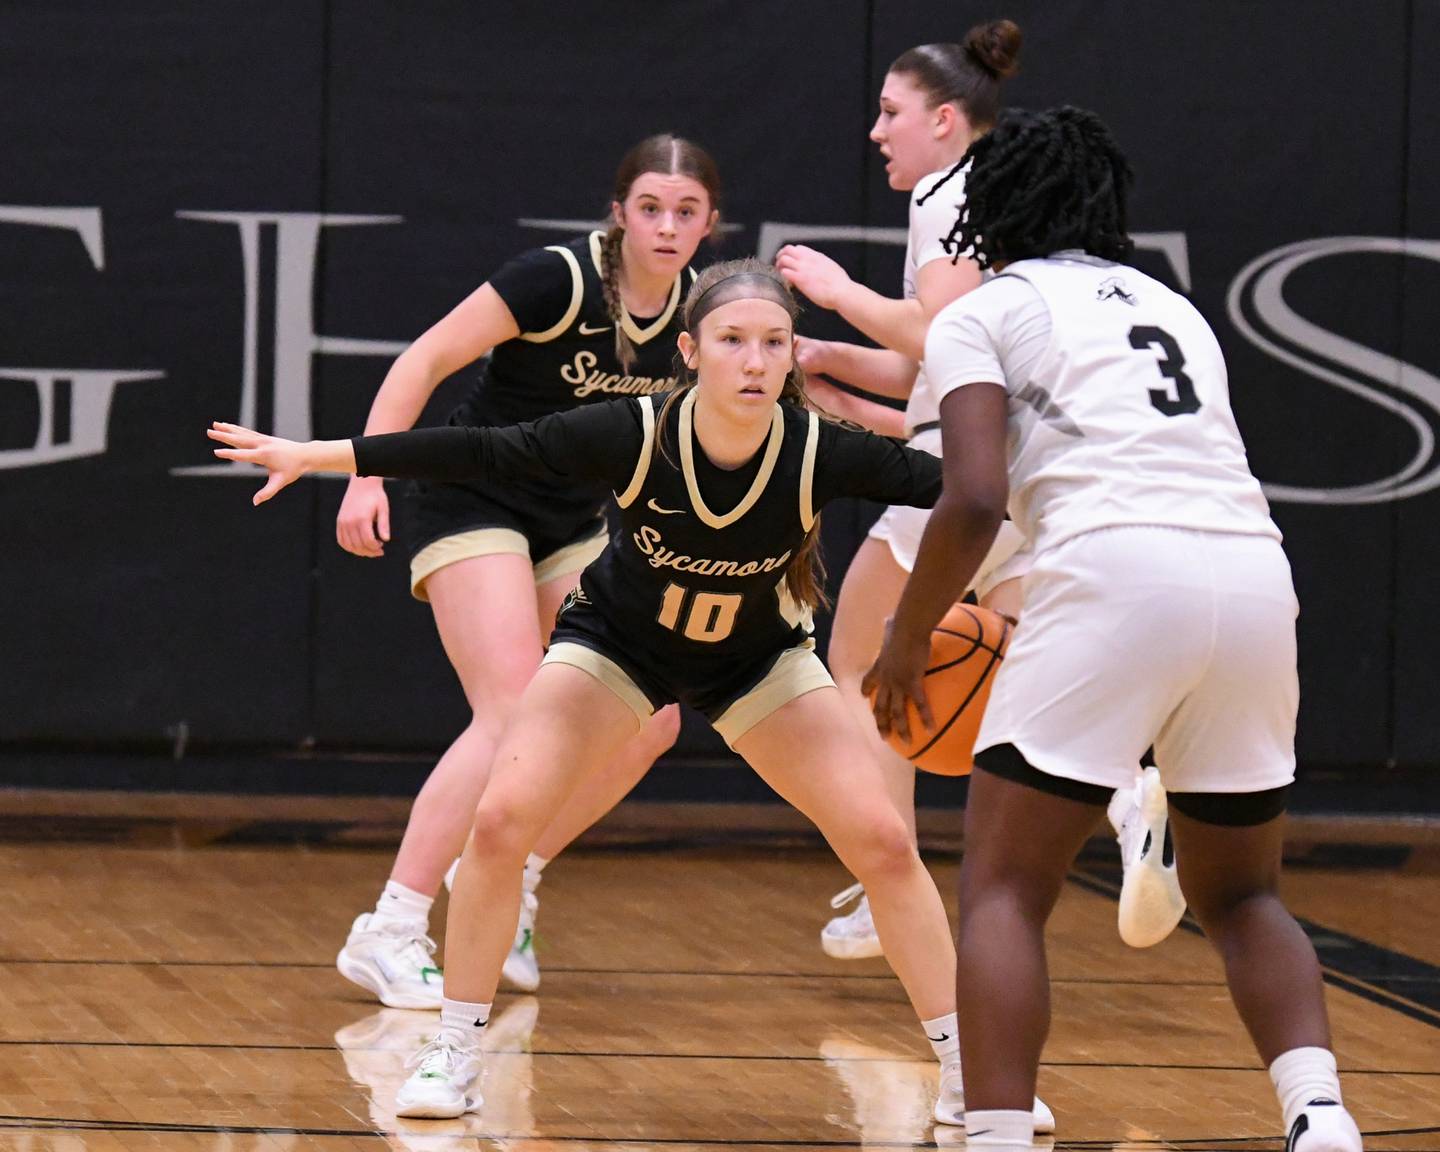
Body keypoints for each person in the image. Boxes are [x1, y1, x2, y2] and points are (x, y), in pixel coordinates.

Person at [207, 258, 1055, 1133]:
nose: (755, 361)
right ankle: (455, 1047)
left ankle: (969, 1072)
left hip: (756, 660)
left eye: (773, 343)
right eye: (733, 341)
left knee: (883, 840)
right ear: (692, 350)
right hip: (617, 647)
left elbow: (971, 494)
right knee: (501, 824)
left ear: (793, 354)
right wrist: (328, 455)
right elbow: (484, 450)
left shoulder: (817, 448)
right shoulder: (634, 430)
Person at [865, 107, 1363, 1152]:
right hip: (1253, 577)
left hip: (1110, 569)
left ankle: (997, 1136)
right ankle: (1321, 1117)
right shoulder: (1178, 312)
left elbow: (971, 500)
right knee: (1245, 896)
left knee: (1005, 887)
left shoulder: (986, 309)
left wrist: (908, 637)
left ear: (988, 209)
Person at [776, 23, 1183, 958]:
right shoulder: (1012, 206)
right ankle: (1129, 801)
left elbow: (947, 334)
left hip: (963, 478)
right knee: (1017, 668)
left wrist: (837, 293)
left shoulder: (943, 191)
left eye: (891, 113)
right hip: (1024, 473)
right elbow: (942, 358)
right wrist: (835, 363)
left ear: (946, 120)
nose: (876, 132)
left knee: (856, 659)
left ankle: (889, 878)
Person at [331, 134, 720, 1008]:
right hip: (476, 496)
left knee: (649, 718)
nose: (666, 227)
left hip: (574, 521)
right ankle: (390, 925)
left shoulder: (703, 311)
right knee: (511, 712)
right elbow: (422, 359)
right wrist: (367, 473)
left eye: (685, 212)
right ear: (619, 213)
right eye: (650, 208)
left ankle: (510, 872)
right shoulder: (555, 278)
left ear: (709, 225)